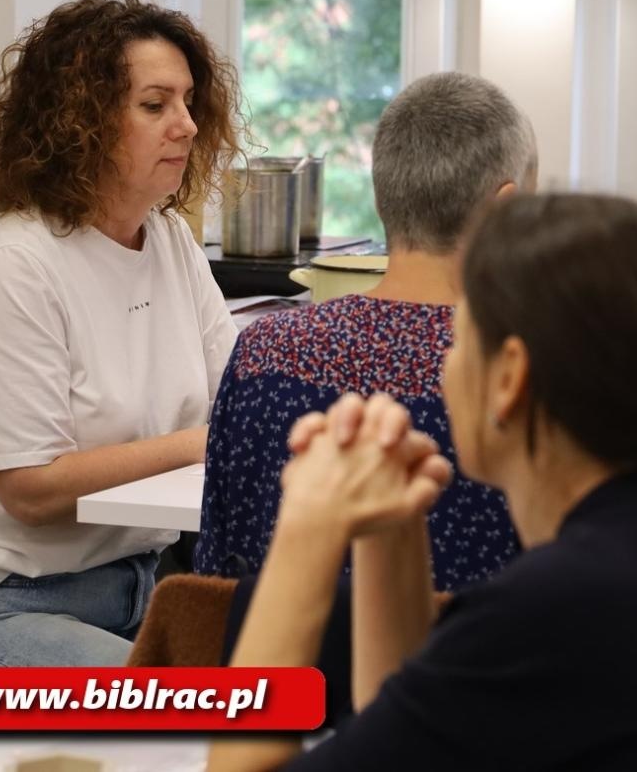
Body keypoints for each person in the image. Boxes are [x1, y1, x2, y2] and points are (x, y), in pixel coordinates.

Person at [207, 194, 637, 772]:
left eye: (460, 337)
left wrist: (307, 527)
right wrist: (390, 529)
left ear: (509, 377)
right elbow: (403, 748)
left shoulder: (560, 609)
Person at [0, 0, 243, 666]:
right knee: (201, 723)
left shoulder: (169, 239)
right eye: (155, 105)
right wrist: (195, 443)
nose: (187, 125)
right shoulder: (16, 268)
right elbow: (32, 490)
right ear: (78, 124)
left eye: (187, 101)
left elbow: (233, 396)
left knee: (305, 685)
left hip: (140, 590)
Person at [195, 72, 532, 593]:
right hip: (466, 671)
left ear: (383, 199)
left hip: (281, 662)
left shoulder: (264, 350)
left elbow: (214, 575)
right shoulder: (520, 374)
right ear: (503, 208)